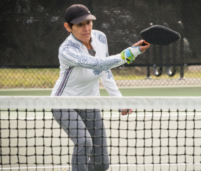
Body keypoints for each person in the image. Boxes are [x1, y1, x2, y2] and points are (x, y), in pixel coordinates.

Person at [51, 4, 150, 171]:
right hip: (63, 103)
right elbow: (97, 63)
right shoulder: (66, 50)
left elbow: (105, 71)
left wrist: (119, 101)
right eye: (80, 24)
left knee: (101, 163)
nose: (86, 28)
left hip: (90, 102)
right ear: (68, 27)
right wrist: (132, 52)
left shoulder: (100, 37)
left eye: (88, 22)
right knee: (83, 141)